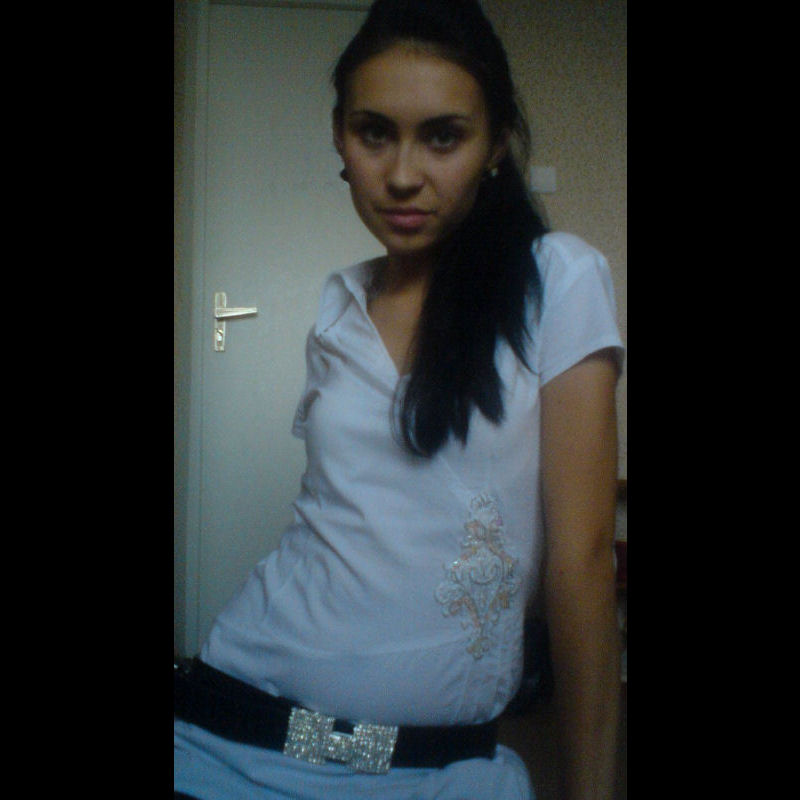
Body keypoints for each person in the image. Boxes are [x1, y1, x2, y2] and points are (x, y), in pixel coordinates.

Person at [174, 1, 624, 798]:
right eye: (375, 133)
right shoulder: (340, 305)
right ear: (340, 138)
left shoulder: (558, 279)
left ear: (495, 144)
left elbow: (583, 561)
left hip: (439, 764)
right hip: (234, 717)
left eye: (443, 136)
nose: (404, 173)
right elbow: (342, 518)